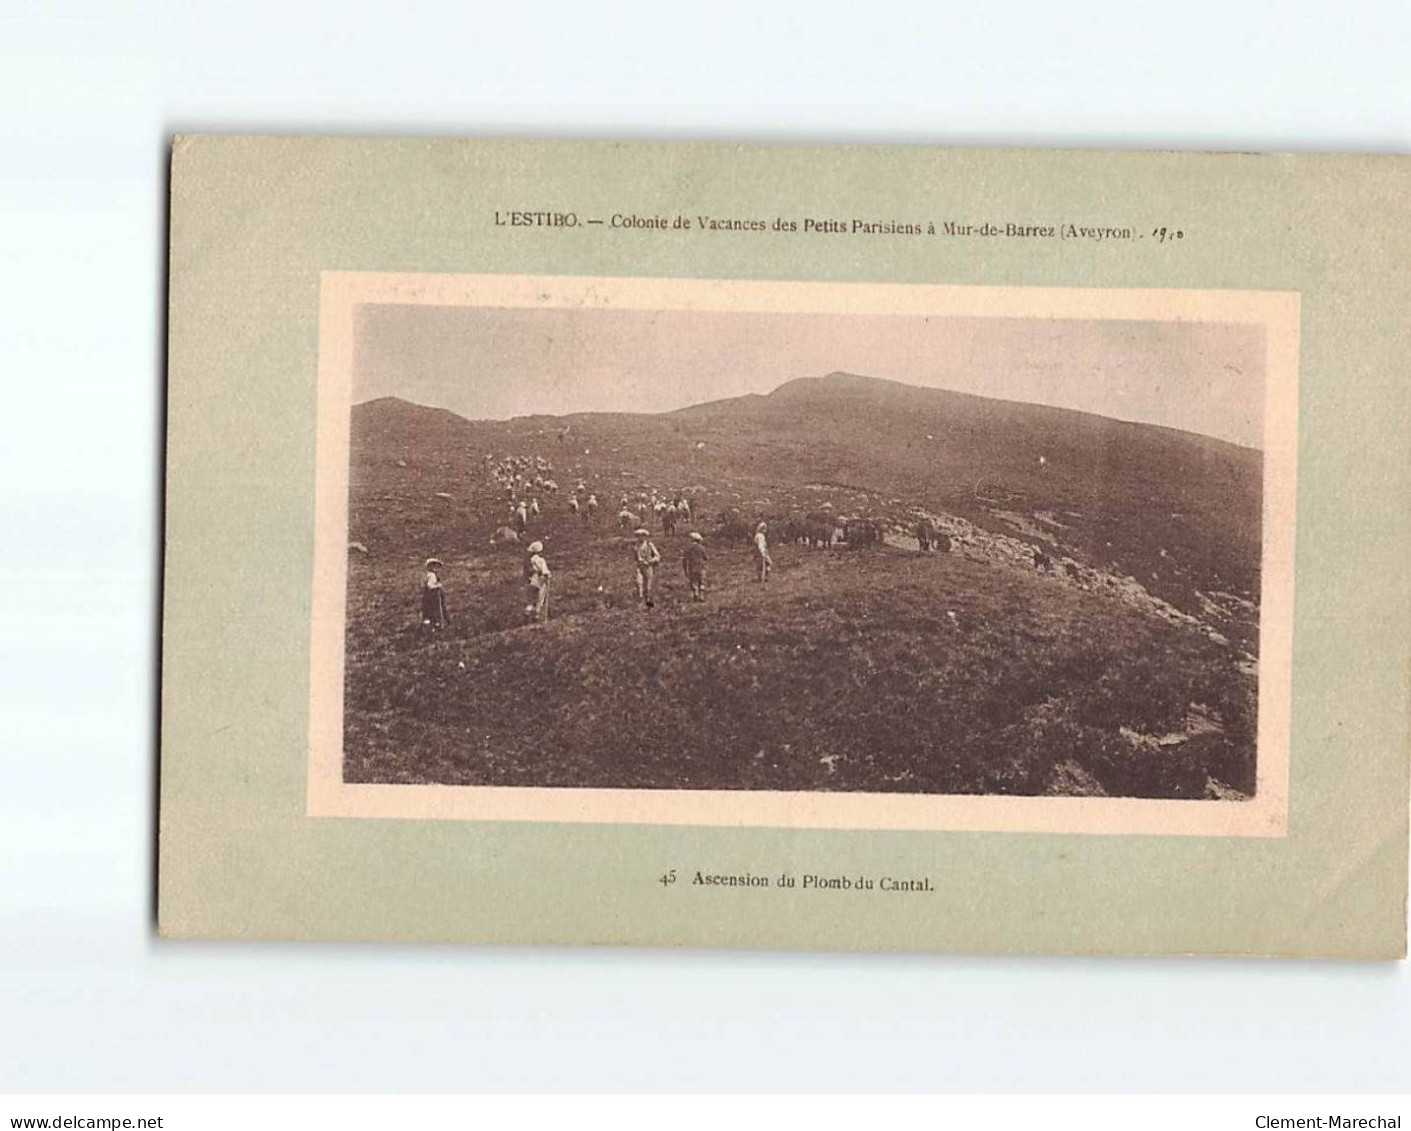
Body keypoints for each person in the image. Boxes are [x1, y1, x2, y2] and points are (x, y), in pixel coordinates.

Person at [632, 528, 662, 609]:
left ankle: (649, 605)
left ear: (645, 537)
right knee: (639, 584)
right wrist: (638, 561)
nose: (640, 538)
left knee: (648, 586)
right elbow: (636, 557)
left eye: (642, 536)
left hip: (648, 567)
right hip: (639, 566)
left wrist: (652, 560)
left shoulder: (649, 545)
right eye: (638, 536)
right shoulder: (636, 545)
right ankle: (641, 603)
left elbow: (657, 556)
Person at [524, 541, 551, 622]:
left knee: (530, 601)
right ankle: (536, 617)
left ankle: (527, 612)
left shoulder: (528, 561)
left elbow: (525, 572)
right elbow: (545, 571)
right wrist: (548, 575)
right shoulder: (541, 560)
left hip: (530, 581)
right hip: (540, 581)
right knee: (539, 600)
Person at [421, 557, 449, 632]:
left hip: (428, 595)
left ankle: (430, 625)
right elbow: (430, 586)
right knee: (435, 610)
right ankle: (436, 625)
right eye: (433, 566)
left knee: (429, 611)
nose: (435, 568)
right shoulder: (431, 575)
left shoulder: (427, 575)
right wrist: (438, 585)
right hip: (433, 595)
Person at [681, 532, 708, 601]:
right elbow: (706, 557)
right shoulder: (701, 548)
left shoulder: (688, 549)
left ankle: (695, 593)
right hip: (701, 567)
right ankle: (701, 596)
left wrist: (685, 569)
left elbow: (684, 559)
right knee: (702, 581)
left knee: (694, 581)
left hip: (692, 567)